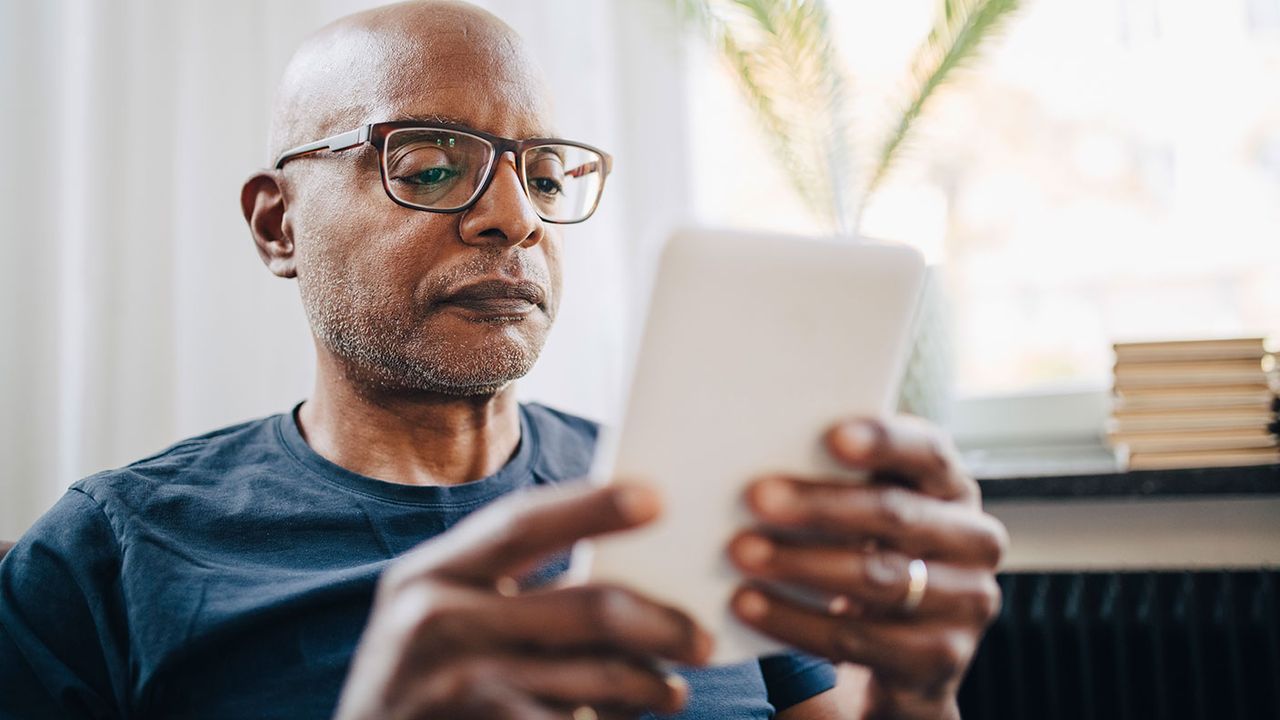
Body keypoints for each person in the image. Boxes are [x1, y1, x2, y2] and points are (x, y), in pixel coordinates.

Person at [0, 2, 1007, 718]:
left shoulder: (692, 496)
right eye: (431, 164)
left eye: (543, 173)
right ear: (278, 226)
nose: (514, 218)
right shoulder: (106, 559)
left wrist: (918, 702)